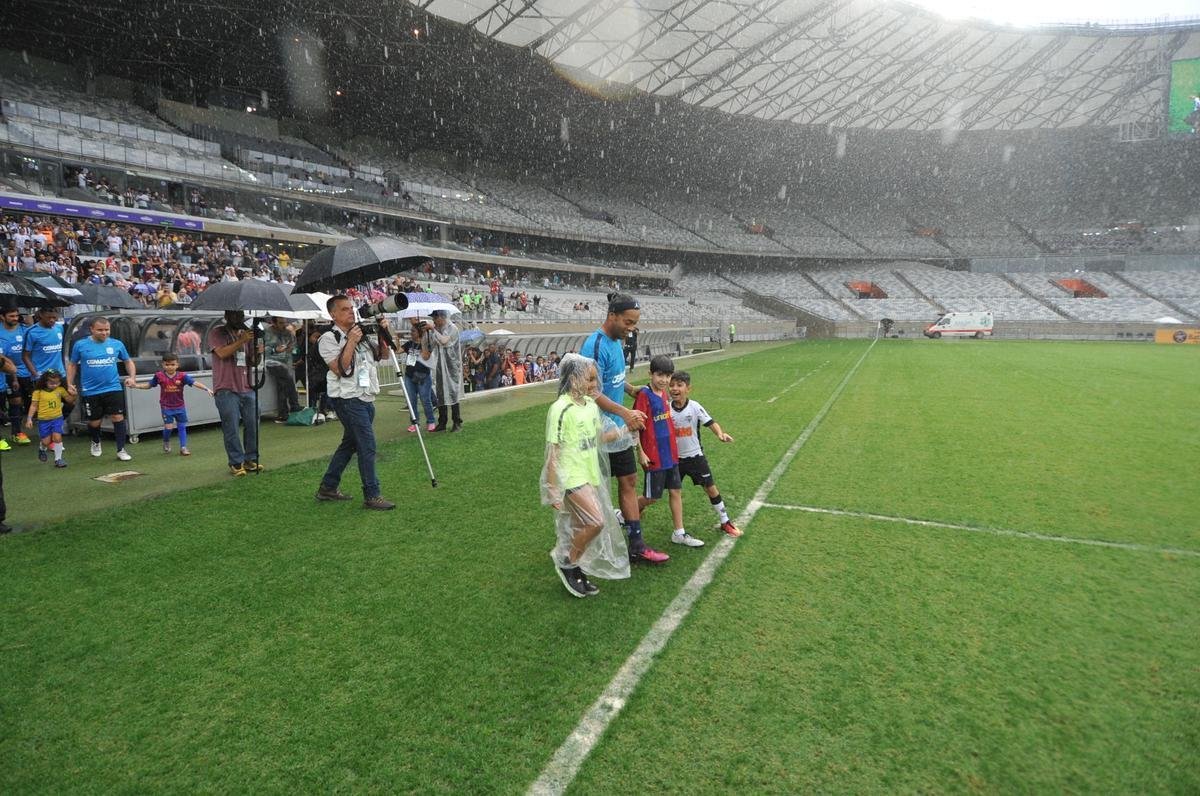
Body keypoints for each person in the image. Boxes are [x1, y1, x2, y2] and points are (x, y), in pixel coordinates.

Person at [582, 293, 668, 564]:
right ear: (612, 316)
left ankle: (636, 544)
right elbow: (591, 391)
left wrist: (631, 390)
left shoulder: (617, 342)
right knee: (596, 489)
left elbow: (613, 381)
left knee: (628, 480)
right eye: (628, 322)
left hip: (618, 429)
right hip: (596, 431)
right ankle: (588, 546)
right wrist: (625, 413)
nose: (632, 328)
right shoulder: (595, 346)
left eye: (635, 323)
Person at [540, 353, 631, 597]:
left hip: (589, 473)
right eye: (589, 379)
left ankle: (575, 565)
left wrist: (624, 431)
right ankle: (568, 562)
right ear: (572, 378)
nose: (594, 385)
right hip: (570, 476)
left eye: (594, 379)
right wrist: (552, 488)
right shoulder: (560, 409)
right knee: (596, 522)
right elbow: (553, 451)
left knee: (581, 524)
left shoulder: (590, 406)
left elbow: (596, 439)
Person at [315, 295, 395, 510]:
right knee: (366, 445)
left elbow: (383, 356)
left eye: (351, 308)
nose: (351, 311)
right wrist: (350, 341)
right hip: (347, 399)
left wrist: (383, 333)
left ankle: (328, 487)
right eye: (344, 309)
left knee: (349, 444)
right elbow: (339, 369)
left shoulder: (361, 332)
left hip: (366, 395)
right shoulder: (328, 338)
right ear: (333, 314)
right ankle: (372, 494)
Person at [634, 355, 702, 548]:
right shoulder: (644, 396)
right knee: (652, 497)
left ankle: (679, 533)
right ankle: (625, 513)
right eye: (660, 375)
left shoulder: (664, 395)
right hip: (653, 455)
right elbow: (636, 426)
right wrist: (641, 452)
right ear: (650, 374)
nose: (664, 380)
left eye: (667, 376)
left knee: (676, 490)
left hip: (670, 453)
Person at [669, 370, 742, 538]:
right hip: (674, 460)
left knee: (710, 488)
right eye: (672, 385)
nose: (674, 388)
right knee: (672, 492)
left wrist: (720, 434)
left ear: (688, 388)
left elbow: (710, 422)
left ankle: (725, 521)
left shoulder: (694, 407)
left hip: (695, 457)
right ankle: (676, 530)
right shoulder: (666, 408)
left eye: (679, 385)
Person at [66, 317, 136, 461]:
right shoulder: (80, 345)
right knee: (94, 422)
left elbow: (128, 361)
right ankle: (96, 441)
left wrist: (132, 377)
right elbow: (72, 365)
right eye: (100, 330)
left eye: (107, 330)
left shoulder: (117, 344)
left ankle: (121, 449)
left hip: (113, 387)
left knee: (118, 417)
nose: (104, 333)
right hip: (90, 390)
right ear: (91, 329)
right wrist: (69, 383)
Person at [208, 310, 263, 476]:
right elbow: (222, 353)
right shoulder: (217, 332)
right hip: (226, 388)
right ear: (226, 316)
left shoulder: (246, 334)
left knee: (253, 424)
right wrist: (242, 340)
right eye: (235, 315)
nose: (239, 319)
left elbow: (253, 362)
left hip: (246, 386)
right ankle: (235, 462)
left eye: (241, 315)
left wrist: (259, 351)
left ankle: (250, 459)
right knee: (231, 426)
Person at [130, 352, 213, 455]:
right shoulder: (159, 376)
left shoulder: (182, 376)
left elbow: (194, 382)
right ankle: (166, 441)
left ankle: (183, 447)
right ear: (163, 365)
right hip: (166, 407)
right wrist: (135, 386)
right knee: (168, 427)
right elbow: (149, 385)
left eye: (172, 364)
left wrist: (206, 389)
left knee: (182, 427)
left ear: (177, 365)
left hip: (180, 406)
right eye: (167, 365)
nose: (170, 367)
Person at [25, 369, 71, 467]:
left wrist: (74, 394)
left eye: (57, 383)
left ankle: (58, 459)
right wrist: (29, 419)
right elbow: (33, 406)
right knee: (46, 441)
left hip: (57, 418)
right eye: (51, 383)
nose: (55, 385)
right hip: (44, 420)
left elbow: (69, 400)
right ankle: (42, 449)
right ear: (45, 381)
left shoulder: (60, 390)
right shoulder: (38, 392)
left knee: (57, 437)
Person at [0, 307, 33, 445]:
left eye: (16, 315)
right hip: (4, 372)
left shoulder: (23, 329)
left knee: (17, 402)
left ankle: (16, 432)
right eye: (11, 316)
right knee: (2, 407)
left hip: (22, 373)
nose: (15, 318)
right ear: (2, 317)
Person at [426, 309, 463, 432]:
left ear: (442, 317)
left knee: (453, 392)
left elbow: (444, 341)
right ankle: (442, 422)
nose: (434, 321)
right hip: (439, 365)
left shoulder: (453, 328)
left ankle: (457, 422)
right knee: (440, 393)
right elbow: (431, 346)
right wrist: (427, 333)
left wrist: (432, 329)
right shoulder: (437, 329)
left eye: (435, 318)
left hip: (452, 365)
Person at [263, 316, 302, 423]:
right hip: (272, 362)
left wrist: (291, 348)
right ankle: (294, 405)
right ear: (273, 323)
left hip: (286, 362)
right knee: (288, 380)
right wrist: (275, 349)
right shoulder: (267, 332)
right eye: (281, 323)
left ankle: (283, 414)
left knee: (282, 386)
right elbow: (263, 349)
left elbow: (294, 348)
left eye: (285, 322)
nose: (284, 325)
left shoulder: (288, 333)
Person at [401, 321, 436, 433]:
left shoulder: (426, 343)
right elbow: (397, 350)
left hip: (423, 376)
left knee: (425, 400)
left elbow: (426, 357)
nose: (411, 333)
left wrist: (424, 342)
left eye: (413, 331)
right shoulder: (409, 344)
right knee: (411, 401)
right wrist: (396, 339)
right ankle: (414, 423)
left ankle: (431, 421)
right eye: (411, 330)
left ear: (419, 332)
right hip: (409, 375)